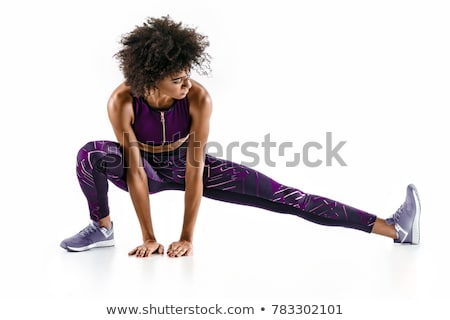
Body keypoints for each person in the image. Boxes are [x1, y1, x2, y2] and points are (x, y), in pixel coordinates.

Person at [60, 16, 421, 258]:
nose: (187, 84)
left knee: (287, 196)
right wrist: (149, 238)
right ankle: (102, 227)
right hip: (142, 168)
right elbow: (136, 171)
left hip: (185, 162)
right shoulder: (122, 100)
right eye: (177, 80)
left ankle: (393, 229)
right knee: (90, 153)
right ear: (151, 79)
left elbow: (195, 168)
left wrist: (186, 238)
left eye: (188, 74)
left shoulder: (198, 97)